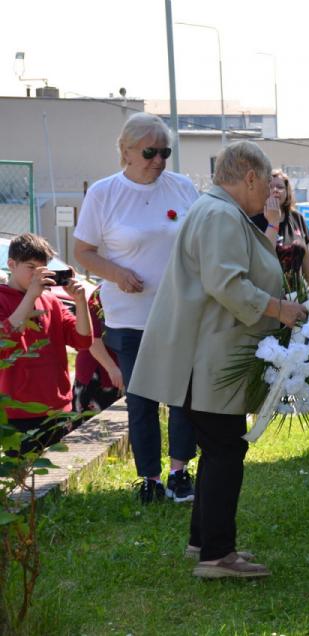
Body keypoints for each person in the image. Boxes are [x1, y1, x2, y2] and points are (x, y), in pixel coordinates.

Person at [129, 141, 306, 579]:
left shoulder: (216, 211)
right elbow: (227, 283)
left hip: (208, 353)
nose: (270, 193)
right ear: (250, 177)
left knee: (217, 448)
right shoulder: (221, 215)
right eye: (266, 184)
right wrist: (280, 310)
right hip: (207, 357)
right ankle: (217, 555)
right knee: (226, 449)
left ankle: (203, 542)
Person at [74, 112, 199, 504]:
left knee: (183, 396)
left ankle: (179, 473)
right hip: (129, 317)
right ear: (126, 151)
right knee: (141, 400)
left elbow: (200, 239)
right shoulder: (104, 193)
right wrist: (117, 273)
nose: (158, 160)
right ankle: (150, 478)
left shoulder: (182, 187)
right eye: (149, 152)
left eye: (165, 152)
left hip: (179, 312)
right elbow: (83, 252)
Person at [0, 233, 92, 453]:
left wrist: (80, 302)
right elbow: (4, 340)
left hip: (57, 408)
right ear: (11, 264)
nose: (38, 275)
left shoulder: (51, 300)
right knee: (19, 471)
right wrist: (31, 296)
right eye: (31, 267)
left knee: (57, 472)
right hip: (16, 412)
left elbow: (82, 341)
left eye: (42, 268)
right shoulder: (3, 298)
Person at [251, 169, 309, 301]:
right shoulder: (254, 221)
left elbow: (307, 261)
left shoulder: (297, 218)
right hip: (270, 299)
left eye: (280, 187)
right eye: (271, 187)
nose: (275, 190)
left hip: (297, 298)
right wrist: (272, 222)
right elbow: (262, 259)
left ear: (287, 192)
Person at [72, 286, 123, 418]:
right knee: (90, 424)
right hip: (99, 370)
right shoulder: (101, 293)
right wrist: (112, 369)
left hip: (123, 369)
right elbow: (92, 338)